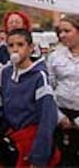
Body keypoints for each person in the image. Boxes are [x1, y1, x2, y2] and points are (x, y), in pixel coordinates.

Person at [0, 28, 60, 167]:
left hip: (31, 140)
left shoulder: (39, 76)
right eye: (11, 46)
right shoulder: (5, 73)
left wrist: (39, 156)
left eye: (20, 44)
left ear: (30, 48)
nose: (15, 49)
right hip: (11, 139)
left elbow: (47, 116)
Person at [47, 14, 79, 167]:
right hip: (62, 116)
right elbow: (49, 88)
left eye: (67, 31)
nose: (62, 35)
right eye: (60, 31)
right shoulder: (55, 57)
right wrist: (59, 117)